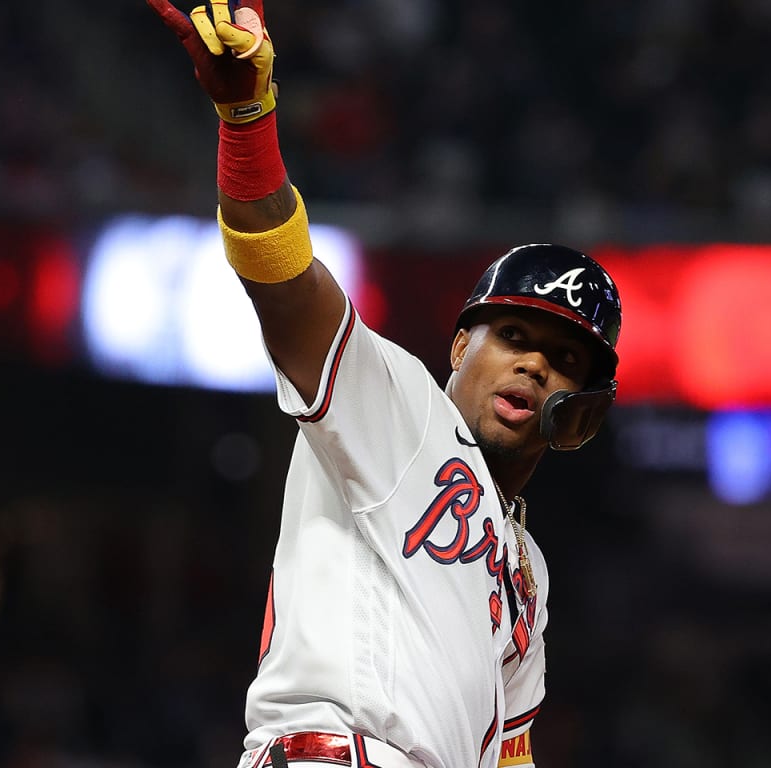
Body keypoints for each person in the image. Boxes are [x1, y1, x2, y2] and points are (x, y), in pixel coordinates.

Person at [142, 2, 623, 766]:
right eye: (517, 338)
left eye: (565, 361)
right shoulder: (397, 404)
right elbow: (288, 286)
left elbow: (511, 756)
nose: (535, 365)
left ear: (584, 410)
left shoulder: (527, 570)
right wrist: (247, 119)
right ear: (463, 343)